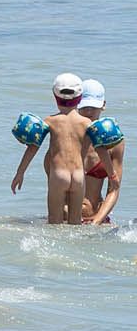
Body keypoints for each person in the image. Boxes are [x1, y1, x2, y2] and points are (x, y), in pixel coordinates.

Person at [11, 71, 94, 225]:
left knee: (54, 221)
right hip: (78, 175)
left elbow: (32, 148)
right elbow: (101, 148)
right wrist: (112, 175)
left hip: (58, 175)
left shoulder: (50, 121)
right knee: (76, 222)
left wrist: (20, 172)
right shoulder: (87, 123)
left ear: (55, 97)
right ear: (80, 98)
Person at [78, 78, 123, 226]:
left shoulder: (114, 142)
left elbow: (114, 189)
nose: (88, 111)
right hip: (64, 218)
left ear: (103, 105)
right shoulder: (67, 136)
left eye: (93, 106)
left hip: (96, 218)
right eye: (84, 106)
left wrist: (95, 223)